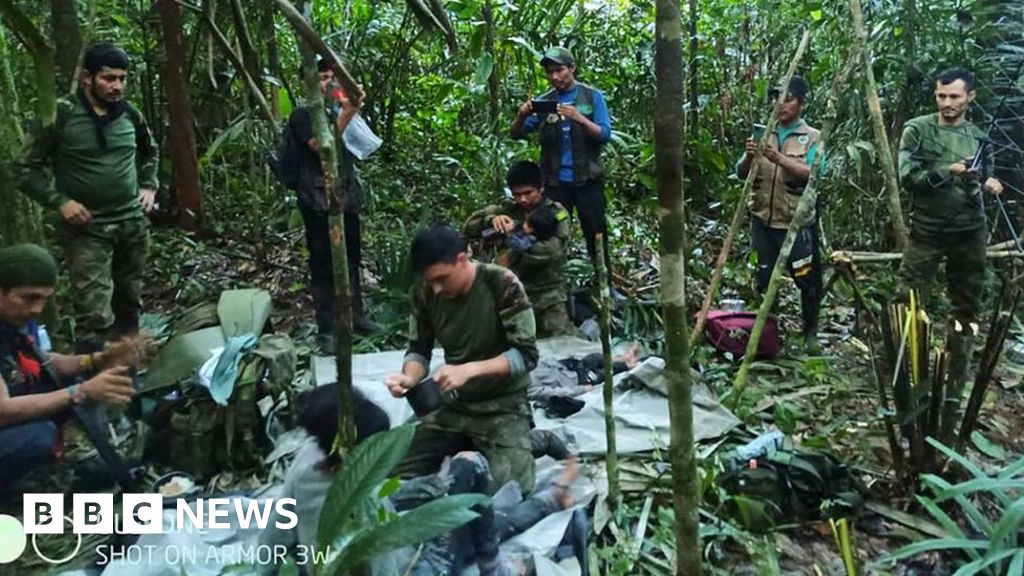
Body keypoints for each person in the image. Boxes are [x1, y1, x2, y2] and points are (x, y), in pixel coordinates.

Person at [262, 383, 580, 576]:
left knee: (463, 500)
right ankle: (545, 507)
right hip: (418, 567)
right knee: (474, 495)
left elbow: (274, 536)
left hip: (393, 543)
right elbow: (386, 561)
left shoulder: (308, 462)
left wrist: (431, 488)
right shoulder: (354, 496)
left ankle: (550, 498)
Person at [16, 42, 158, 353]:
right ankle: (92, 389)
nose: (117, 86)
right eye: (108, 78)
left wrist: (148, 185)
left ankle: (128, 378)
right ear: (87, 78)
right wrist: (60, 202)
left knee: (130, 303)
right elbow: (24, 169)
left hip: (131, 224)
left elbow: (150, 152)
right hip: (88, 229)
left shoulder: (130, 115)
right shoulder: (59, 115)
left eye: (122, 78)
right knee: (94, 315)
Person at [385, 225, 538, 493]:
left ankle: (535, 441)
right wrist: (409, 377)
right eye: (429, 280)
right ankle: (466, 446)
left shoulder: (501, 283)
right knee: (386, 467)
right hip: (454, 405)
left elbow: (525, 356)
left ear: (461, 259)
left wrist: (469, 370)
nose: (435, 288)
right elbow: (419, 349)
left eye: (442, 278)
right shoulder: (425, 292)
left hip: (503, 405)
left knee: (513, 488)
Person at [0, 244, 152, 490]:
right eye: (29, 298)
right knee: (39, 436)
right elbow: (2, 411)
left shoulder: (13, 319)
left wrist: (98, 359)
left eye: (44, 299)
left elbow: (44, 362)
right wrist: (81, 392)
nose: (37, 309)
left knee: (71, 385)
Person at [897, 67, 1003, 325]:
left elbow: (983, 184)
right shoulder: (918, 130)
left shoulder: (979, 137)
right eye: (941, 96)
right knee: (905, 301)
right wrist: (948, 171)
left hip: (969, 231)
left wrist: (988, 184)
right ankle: (900, 362)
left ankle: (958, 363)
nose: (947, 103)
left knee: (967, 309)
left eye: (954, 97)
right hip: (927, 229)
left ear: (970, 96)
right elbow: (908, 178)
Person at [510, 47, 618, 298]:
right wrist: (521, 114)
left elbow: (604, 134)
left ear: (572, 68)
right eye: (550, 72)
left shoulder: (592, 97)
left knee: (597, 234)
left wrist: (579, 118)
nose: (555, 77)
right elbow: (517, 133)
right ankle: (554, 289)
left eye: (559, 70)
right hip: (556, 184)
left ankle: (605, 286)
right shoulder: (545, 101)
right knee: (551, 235)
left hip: (588, 182)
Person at [287, 58, 377, 350]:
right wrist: (349, 110)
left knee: (351, 258)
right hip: (317, 202)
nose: (328, 83)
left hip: (346, 197)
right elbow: (322, 146)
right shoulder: (303, 116)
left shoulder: (337, 108)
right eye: (322, 78)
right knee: (323, 264)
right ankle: (326, 329)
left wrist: (351, 104)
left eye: (331, 77)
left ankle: (357, 315)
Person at [735, 75, 825, 351]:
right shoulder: (766, 132)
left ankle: (810, 335)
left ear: (802, 104)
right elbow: (741, 173)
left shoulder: (813, 137)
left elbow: (814, 175)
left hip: (796, 223)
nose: (780, 104)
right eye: (776, 97)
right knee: (764, 280)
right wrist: (751, 155)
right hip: (762, 220)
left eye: (787, 99)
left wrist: (778, 159)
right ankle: (769, 338)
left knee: (807, 281)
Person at [465, 161, 573, 337]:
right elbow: (470, 226)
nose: (523, 199)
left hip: (547, 296)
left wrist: (514, 244)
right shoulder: (508, 209)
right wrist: (491, 220)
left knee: (563, 347)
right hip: (511, 296)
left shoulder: (556, 213)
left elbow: (553, 251)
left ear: (541, 188)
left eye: (528, 193)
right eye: (517, 194)